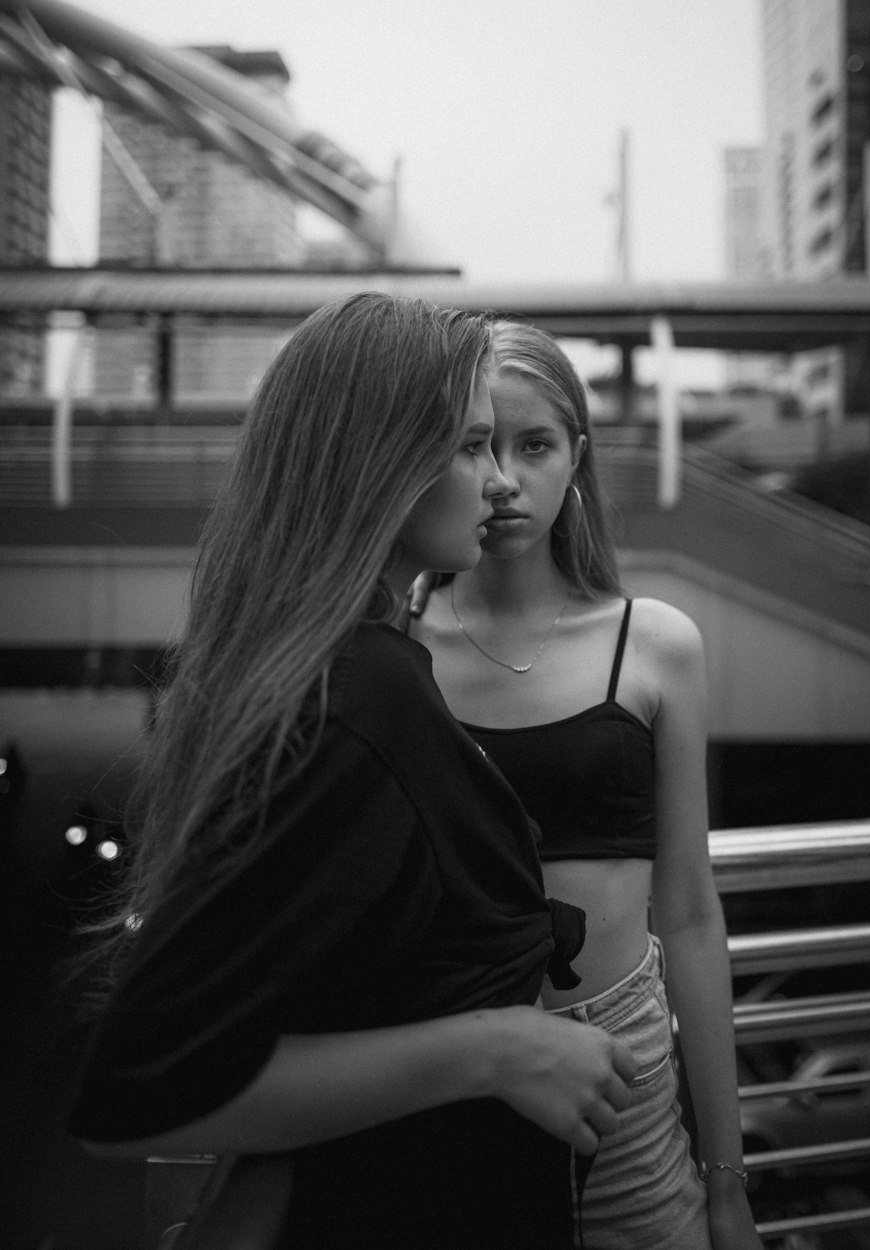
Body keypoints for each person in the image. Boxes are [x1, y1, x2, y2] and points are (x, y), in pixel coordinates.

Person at [66, 295, 637, 1250]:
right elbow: (141, 1091)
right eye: (469, 447)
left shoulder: (350, 664)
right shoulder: (357, 698)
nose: (498, 483)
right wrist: (499, 1049)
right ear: (383, 465)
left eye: (506, 447)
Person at [409, 321, 763, 1249]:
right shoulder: (395, 646)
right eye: (480, 443)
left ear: (578, 459)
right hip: (455, 1064)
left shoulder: (655, 644)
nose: (505, 479)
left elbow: (687, 912)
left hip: (626, 1071)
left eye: (538, 446)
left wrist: (726, 1177)